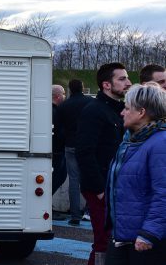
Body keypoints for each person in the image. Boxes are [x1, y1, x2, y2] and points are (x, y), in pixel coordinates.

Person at [105, 84, 166, 264]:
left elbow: (163, 193)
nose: (122, 113)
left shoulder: (160, 143)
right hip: (124, 237)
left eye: (127, 108)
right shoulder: (131, 141)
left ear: (141, 112)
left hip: (145, 241)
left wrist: (149, 233)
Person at [77, 62, 131, 265]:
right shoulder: (94, 111)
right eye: (122, 78)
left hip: (114, 186)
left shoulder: (118, 110)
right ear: (106, 85)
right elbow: (84, 152)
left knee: (112, 241)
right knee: (104, 242)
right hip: (102, 188)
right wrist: (99, 189)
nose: (128, 82)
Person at [57, 79, 93, 226]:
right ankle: (89, 211)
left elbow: (60, 128)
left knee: (74, 180)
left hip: (70, 145)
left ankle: (75, 215)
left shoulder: (63, 106)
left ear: (70, 90)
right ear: (83, 87)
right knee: (91, 178)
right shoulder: (90, 102)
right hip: (88, 145)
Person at [52, 85, 67, 197]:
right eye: (63, 93)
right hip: (56, 151)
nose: (64, 96)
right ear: (57, 96)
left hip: (55, 150)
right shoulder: (55, 112)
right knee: (59, 176)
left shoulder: (49, 110)